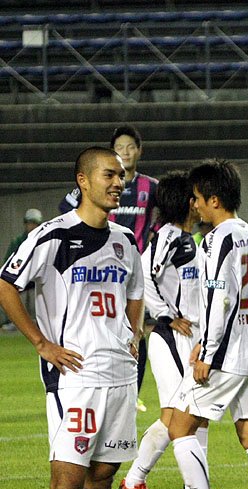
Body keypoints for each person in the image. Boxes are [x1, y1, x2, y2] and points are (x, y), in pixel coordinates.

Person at [0, 146, 143, 489]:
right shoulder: (53, 235)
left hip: (120, 377)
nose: (119, 182)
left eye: (121, 176)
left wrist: (133, 332)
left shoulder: (125, 240)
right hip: (75, 378)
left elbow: (136, 292)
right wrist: (41, 343)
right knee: (67, 480)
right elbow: (6, 284)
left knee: (102, 478)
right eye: (109, 175)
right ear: (83, 180)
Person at [165, 159, 248, 489]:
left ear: (214, 200)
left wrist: (208, 353)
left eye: (198, 198)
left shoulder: (218, 239)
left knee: (179, 427)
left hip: (228, 356)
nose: (194, 205)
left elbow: (221, 299)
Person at [117, 171, 232, 489]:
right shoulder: (168, 235)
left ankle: (194, 488)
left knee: (198, 411)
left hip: (191, 337)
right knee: (174, 416)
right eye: (193, 196)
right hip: (172, 338)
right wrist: (166, 315)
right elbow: (143, 274)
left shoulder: (187, 238)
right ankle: (134, 482)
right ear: (185, 202)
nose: (197, 202)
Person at [59, 125, 159, 413]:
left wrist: (153, 236)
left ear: (139, 151)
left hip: (134, 266)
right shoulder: (98, 184)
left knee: (136, 329)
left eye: (130, 147)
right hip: (99, 265)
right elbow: (65, 205)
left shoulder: (150, 186)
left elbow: (168, 214)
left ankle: (132, 390)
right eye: (120, 148)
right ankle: (88, 382)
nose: (125, 152)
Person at [1, 208, 43, 329]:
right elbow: (8, 264)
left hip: (38, 277)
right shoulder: (18, 241)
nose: (32, 226)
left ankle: (41, 322)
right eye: (30, 223)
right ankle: (11, 321)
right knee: (6, 288)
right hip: (21, 277)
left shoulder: (44, 240)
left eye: (35, 224)